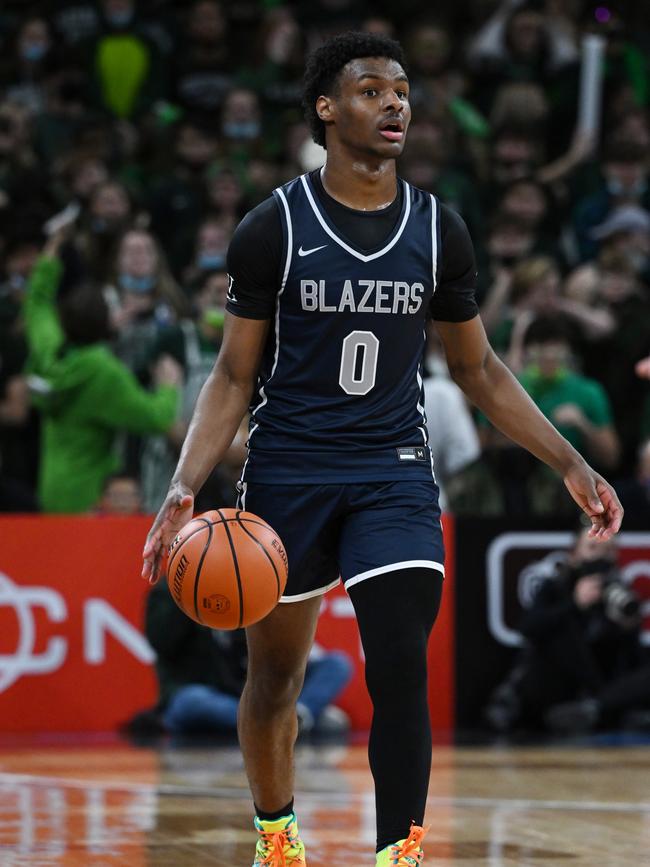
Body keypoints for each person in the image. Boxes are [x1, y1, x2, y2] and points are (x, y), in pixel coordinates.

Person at [142, 33, 623, 867]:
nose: (395, 102)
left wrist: (571, 462)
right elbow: (230, 374)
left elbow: (478, 369)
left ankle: (396, 853)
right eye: (371, 90)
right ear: (326, 110)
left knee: (399, 660)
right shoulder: (274, 228)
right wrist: (186, 484)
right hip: (288, 473)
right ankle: (277, 834)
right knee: (276, 681)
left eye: (401, 90)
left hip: (392, 473)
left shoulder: (440, 230)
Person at [24, 228, 182, 514]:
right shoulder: (103, 371)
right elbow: (155, 418)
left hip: (51, 488)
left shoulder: (50, 346)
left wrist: (53, 248)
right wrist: (169, 387)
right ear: (104, 324)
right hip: (90, 499)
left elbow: (37, 302)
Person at [485, 527, 650, 734]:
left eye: (608, 550)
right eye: (593, 548)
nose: (601, 556)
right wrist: (575, 604)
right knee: (560, 633)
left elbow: (631, 659)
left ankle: (593, 707)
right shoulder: (555, 587)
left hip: (604, 685)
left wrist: (625, 627)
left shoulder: (621, 595)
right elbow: (528, 628)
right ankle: (598, 708)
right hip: (556, 684)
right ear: (575, 555)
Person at [144, 579, 353, 736]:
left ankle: (295, 716)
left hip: (249, 692)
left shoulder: (251, 582)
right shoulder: (171, 589)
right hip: (206, 692)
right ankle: (282, 724)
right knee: (192, 702)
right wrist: (188, 593)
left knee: (337, 664)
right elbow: (162, 642)